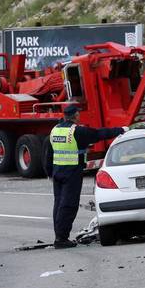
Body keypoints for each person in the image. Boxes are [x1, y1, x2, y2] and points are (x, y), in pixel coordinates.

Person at [46, 105, 128, 249]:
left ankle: (59, 236)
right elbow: (99, 134)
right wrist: (120, 130)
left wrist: (49, 172)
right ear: (76, 116)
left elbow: (48, 152)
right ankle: (61, 239)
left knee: (58, 204)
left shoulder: (55, 129)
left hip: (57, 172)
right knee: (68, 205)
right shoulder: (77, 131)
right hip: (71, 172)